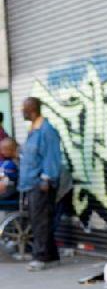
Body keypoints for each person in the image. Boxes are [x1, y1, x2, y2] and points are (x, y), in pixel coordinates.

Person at [19, 97, 63, 270]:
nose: (21, 111)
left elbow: (52, 157)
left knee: (41, 222)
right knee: (40, 220)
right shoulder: (33, 129)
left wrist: (46, 179)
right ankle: (52, 256)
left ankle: (41, 257)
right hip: (31, 183)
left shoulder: (46, 130)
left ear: (32, 110)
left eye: (24, 108)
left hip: (41, 184)